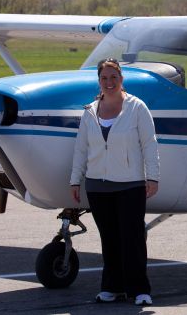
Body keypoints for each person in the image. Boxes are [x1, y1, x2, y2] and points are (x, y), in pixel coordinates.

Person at [70, 58, 160, 306]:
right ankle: (112, 287)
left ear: (121, 79)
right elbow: (80, 149)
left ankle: (140, 290)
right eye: (104, 78)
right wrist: (74, 180)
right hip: (98, 186)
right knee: (109, 239)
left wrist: (152, 176)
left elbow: (149, 144)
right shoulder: (90, 111)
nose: (109, 82)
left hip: (130, 184)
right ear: (99, 81)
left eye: (114, 77)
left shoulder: (137, 107)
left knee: (132, 238)